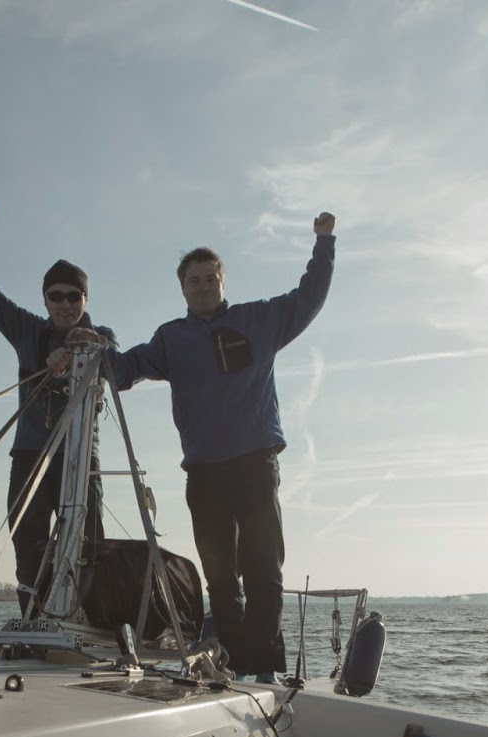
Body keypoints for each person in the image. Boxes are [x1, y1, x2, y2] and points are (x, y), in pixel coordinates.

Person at [97, 212, 336, 682]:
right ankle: (235, 665)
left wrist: (324, 243)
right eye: (193, 281)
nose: (203, 287)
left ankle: (266, 669)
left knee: (263, 570)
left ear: (222, 281)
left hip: (255, 464)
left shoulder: (259, 319)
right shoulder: (171, 338)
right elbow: (122, 372)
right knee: (221, 578)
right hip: (204, 473)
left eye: (210, 279)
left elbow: (310, 297)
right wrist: (99, 340)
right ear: (182, 288)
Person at [0, 194, 116, 614]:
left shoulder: (102, 335)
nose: (65, 304)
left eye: (74, 296)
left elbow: (113, 361)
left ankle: (85, 618)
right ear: (45, 299)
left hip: (82, 459)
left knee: (89, 541)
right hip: (31, 454)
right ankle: (32, 617)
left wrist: (86, 346)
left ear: (86, 300)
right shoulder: (26, 329)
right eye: (56, 296)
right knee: (27, 537)